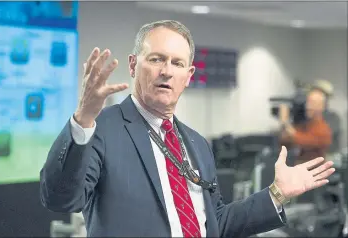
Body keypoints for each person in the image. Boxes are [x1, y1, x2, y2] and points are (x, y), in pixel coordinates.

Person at [40, 20, 335, 237]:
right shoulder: (101, 128)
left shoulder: (196, 143)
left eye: (177, 63)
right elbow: (60, 198)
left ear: (189, 75)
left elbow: (216, 222)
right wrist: (81, 121)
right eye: (156, 59)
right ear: (132, 65)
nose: (167, 70)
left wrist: (277, 193)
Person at [279, 85, 333, 165]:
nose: (308, 106)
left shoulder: (324, 129)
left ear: (322, 107)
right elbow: (285, 143)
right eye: (308, 102)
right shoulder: (305, 125)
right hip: (300, 170)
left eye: (313, 103)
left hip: (315, 173)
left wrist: (285, 122)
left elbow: (305, 141)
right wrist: (284, 125)